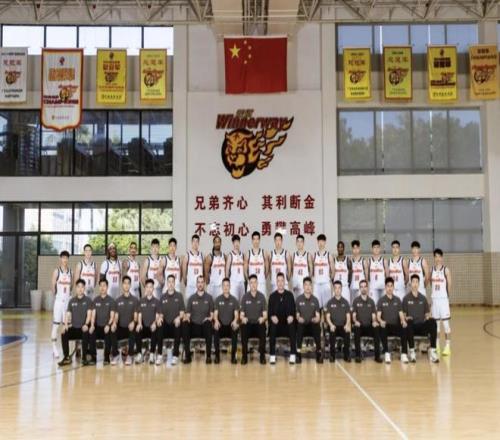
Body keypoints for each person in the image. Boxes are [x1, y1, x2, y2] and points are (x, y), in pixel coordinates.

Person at [403, 274, 439, 363]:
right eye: (413, 282)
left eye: (416, 282)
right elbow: (403, 315)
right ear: (410, 284)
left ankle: (433, 351)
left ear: (419, 284)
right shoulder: (406, 298)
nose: (415, 284)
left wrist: (428, 317)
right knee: (409, 322)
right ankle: (412, 352)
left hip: (421, 326)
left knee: (433, 322)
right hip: (411, 327)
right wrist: (406, 317)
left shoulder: (423, 298)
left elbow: (427, 314)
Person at [57, 279, 93, 367]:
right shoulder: (72, 301)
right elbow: (68, 314)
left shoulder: (88, 300)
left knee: (86, 331)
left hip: (83, 328)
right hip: (74, 328)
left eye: (82, 287)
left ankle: (84, 357)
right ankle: (66, 357)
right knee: (64, 332)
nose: (80, 289)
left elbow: (89, 315)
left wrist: (86, 324)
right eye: (78, 287)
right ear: (76, 288)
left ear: (84, 288)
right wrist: (65, 325)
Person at [183, 275, 214, 364]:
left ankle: (208, 356)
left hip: (205, 327)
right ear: (196, 284)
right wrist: (186, 318)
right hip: (194, 326)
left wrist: (209, 318)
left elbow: (212, 315)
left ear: (204, 284)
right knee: (185, 324)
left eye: (202, 282)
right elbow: (188, 315)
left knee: (208, 323)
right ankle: (187, 356)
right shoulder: (191, 298)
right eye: (198, 282)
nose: (200, 284)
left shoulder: (209, 298)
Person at [377, 277, 409, 364]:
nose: (390, 288)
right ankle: (386, 353)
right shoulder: (381, 300)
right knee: (382, 327)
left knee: (404, 327)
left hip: (396, 326)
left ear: (393, 287)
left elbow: (401, 314)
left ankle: (404, 354)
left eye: (391, 286)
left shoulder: (397, 300)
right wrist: (381, 321)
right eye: (388, 286)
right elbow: (378, 316)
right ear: (385, 287)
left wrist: (403, 321)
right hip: (386, 326)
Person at [268, 272, 297, 365]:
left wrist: (292, 316)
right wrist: (272, 317)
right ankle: (272, 355)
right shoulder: (272, 296)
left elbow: (293, 311)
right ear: (276, 282)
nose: (280, 283)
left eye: (282, 281)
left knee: (292, 324)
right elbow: (269, 313)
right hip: (277, 326)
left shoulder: (290, 295)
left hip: (287, 326)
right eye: (278, 281)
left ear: (284, 282)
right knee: (272, 325)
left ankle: (293, 354)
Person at [157, 274, 185, 366]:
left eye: (172, 282)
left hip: (175, 323)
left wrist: (179, 318)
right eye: (169, 282)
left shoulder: (179, 296)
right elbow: (160, 313)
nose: (171, 284)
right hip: (166, 325)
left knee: (178, 325)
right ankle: (159, 355)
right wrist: (160, 318)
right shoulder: (162, 296)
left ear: (174, 283)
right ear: (167, 283)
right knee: (159, 324)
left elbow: (182, 312)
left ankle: (175, 355)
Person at [352, 280, 382, 363]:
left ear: (367, 288)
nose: (363, 288)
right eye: (361, 287)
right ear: (360, 288)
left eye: (365, 286)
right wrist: (355, 321)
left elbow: (373, 316)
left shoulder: (371, 301)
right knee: (356, 328)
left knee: (376, 328)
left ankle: (377, 356)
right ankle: (358, 356)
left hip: (369, 326)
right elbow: (353, 315)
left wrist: (374, 321)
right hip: (360, 326)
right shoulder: (356, 301)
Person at [111, 275, 139, 366]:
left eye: (128, 283)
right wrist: (114, 323)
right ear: (122, 285)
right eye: (124, 283)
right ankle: (115, 355)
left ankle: (130, 355)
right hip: (121, 328)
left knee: (133, 328)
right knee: (112, 329)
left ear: (130, 285)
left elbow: (135, 316)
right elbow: (116, 316)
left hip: (130, 327)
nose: (126, 285)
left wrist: (133, 322)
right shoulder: (117, 300)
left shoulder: (135, 300)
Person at [240, 274, 267, 365]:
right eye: (251, 283)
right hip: (248, 323)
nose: (253, 285)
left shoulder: (262, 297)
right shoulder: (245, 297)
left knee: (263, 327)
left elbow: (265, 315)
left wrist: (263, 318)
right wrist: (243, 318)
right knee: (243, 327)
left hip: (258, 323)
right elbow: (241, 315)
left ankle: (262, 357)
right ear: (249, 284)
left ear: (257, 283)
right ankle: (244, 357)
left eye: (255, 282)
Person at [295, 277, 322, 364]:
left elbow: (318, 316)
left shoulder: (315, 300)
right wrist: (299, 318)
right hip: (302, 325)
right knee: (299, 326)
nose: (307, 287)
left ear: (311, 286)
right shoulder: (299, 299)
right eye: (306, 285)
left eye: (309, 285)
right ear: (303, 286)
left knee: (317, 326)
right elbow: (297, 315)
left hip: (311, 325)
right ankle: (298, 353)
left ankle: (319, 353)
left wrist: (316, 319)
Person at [89, 279, 116, 365]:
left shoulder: (111, 301)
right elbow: (93, 315)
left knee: (109, 333)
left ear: (107, 287)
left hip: (106, 326)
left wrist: (108, 325)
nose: (102, 288)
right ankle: (93, 357)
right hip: (97, 326)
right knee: (91, 332)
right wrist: (92, 325)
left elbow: (112, 316)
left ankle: (106, 357)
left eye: (104, 286)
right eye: (100, 286)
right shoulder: (95, 300)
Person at [51, 250, 73, 358]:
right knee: (56, 324)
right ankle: (54, 348)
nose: (65, 260)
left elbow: (71, 286)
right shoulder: (57, 271)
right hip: (59, 301)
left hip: (67, 301)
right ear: (60, 259)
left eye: (66, 258)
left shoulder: (71, 272)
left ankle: (66, 349)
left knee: (67, 325)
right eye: (63, 257)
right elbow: (52, 286)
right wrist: (57, 297)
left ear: (68, 259)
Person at [431, 249, 452, 356]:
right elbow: (430, 283)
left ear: (442, 257)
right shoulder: (432, 270)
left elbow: (449, 284)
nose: (438, 258)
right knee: (436, 326)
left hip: (443, 300)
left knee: (446, 324)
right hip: (435, 300)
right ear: (434, 258)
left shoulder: (446, 270)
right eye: (436, 256)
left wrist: (446, 296)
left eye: (439, 256)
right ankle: (437, 345)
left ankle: (447, 347)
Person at [213, 278, 239, 364]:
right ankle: (217, 356)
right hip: (221, 326)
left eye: (227, 285)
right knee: (215, 328)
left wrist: (235, 320)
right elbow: (215, 314)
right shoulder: (218, 299)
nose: (225, 287)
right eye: (224, 285)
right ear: (222, 287)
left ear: (230, 287)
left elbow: (236, 315)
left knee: (235, 328)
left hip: (230, 325)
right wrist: (216, 321)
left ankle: (233, 357)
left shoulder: (234, 300)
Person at [135, 279, 161, 365]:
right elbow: (140, 314)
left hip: (152, 326)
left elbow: (157, 315)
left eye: (151, 287)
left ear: (153, 288)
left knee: (155, 329)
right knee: (137, 329)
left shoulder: (157, 301)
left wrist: (154, 323)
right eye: (147, 287)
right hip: (144, 326)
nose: (149, 289)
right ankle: (139, 354)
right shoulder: (141, 301)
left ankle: (152, 354)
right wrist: (139, 324)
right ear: (145, 288)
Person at [325, 280, 351, 363]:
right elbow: (327, 317)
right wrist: (331, 325)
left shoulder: (345, 302)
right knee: (332, 332)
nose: (337, 290)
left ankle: (346, 355)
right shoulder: (330, 302)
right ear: (333, 289)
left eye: (339, 288)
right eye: (335, 288)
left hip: (343, 326)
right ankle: (332, 356)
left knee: (347, 331)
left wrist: (347, 325)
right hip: (333, 326)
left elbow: (348, 316)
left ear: (341, 289)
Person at [244, 231, 268, 296]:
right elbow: (245, 270)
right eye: (254, 239)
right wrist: (248, 280)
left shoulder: (264, 252)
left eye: (257, 239)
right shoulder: (248, 253)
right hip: (251, 283)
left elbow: (267, 268)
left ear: (259, 240)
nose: (256, 241)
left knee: (262, 300)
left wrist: (263, 277)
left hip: (261, 282)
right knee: (249, 301)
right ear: (252, 240)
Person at [313, 234, 333, 308]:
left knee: (326, 306)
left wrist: (329, 279)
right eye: (319, 241)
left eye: (322, 241)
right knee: (316, 305)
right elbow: (312, 270)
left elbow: (333, 270)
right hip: (317, 284)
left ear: (325, 242)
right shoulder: (314, 255)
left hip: (326, 284)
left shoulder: (328, 255)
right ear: (317, 242)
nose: (321, 243)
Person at [204, 235, 226, 300]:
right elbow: (206, 272)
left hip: (221, 286)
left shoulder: (224, 256)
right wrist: (208, 284)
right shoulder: (210, 257)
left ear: (221, 243)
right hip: (212, 286)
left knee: (221, 304)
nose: (217, 243)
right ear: (213, 244)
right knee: (210, 305)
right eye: (216, 242)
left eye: (219, 242)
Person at [226, 234, 245, 301]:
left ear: (239, 242)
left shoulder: (242, 255)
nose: (236, 244)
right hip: (233, 282)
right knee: (234, 301)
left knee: (242, 301)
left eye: (238, 242)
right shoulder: (230, 255)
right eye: (235, 242)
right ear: (233, 243)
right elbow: (227, 269)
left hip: (241, 281)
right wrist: (227, 281)